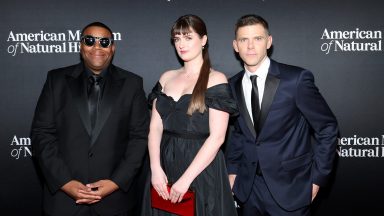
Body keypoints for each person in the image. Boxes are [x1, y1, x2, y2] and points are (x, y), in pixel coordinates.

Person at [31, 22, 149, 216]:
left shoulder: (132, 84)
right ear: (80, 46)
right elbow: (42, 133)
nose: (97, 47)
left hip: (115, 201)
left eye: (104, 42)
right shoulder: (56, 80)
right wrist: (65, 183)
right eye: (90, 41)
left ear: (112, 47)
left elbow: (139, 137)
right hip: (63, 202)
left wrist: (115, 183)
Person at [226, 14, 339, 216]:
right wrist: (232, 171)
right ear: (236, 45)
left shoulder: (295, 79)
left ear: (269, 42)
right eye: (244, 40)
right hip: (248, 189)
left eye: (257, 39)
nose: (250, 46)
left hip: (291, 187)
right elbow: (238, 132)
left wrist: (317, 179)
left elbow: (327, 128)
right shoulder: (232, 85)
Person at [141, 14, 238, 216]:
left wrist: (185, 179)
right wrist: (156, 169)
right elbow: (155, 127)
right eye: (177, 39)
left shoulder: (216, 79)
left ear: (203, 40)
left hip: (201, 168)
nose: (181, 44)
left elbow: (218, 137)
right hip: (164, 164)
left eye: (188, 37)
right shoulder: (166, 77)